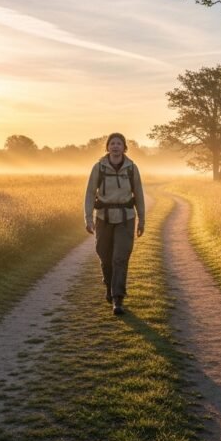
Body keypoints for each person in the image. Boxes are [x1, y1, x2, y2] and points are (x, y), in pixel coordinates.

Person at [84, 133, 145, 315]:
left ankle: (118, 298)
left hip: (126, 218)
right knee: (104, 255)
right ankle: (109, 286)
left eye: (119, 144)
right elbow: (89, 194)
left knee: (120, 258)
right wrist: (88, 218)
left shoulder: (132, 168)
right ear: (108, 147)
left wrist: (142, 219)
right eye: (112, 143)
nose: (116, 146)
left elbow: (139, 196)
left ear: (124, 147)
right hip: (103, 217)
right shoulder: (99, 168)